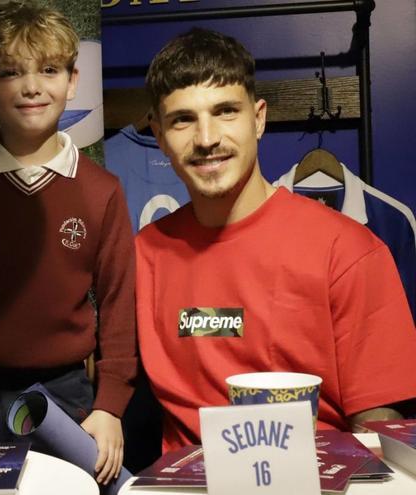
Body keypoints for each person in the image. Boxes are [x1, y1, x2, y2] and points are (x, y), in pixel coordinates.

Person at [136, 27, 416, 453]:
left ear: (259, 117)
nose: (207, 138)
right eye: (183, 120)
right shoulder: (143, 255)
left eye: (226, 111)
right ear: (159, 135)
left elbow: (382, 427)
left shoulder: (348, 252)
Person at [0, 1, 135, 485]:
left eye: (50, 69)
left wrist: (110, 407)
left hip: (69, 398)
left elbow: (120, 306)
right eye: (11, 72)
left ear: (72, 81)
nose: (33, 86)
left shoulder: (102, 190)